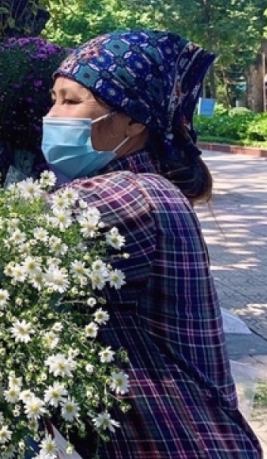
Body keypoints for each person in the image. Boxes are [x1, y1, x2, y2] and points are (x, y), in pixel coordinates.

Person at [41, 30, 263, 458]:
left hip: (180, 444)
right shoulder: (133, 188)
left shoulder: (136, 194)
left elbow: (5, 235)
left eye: (71, 101)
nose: (53, 114)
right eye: (54, 98)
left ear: (134, 119)